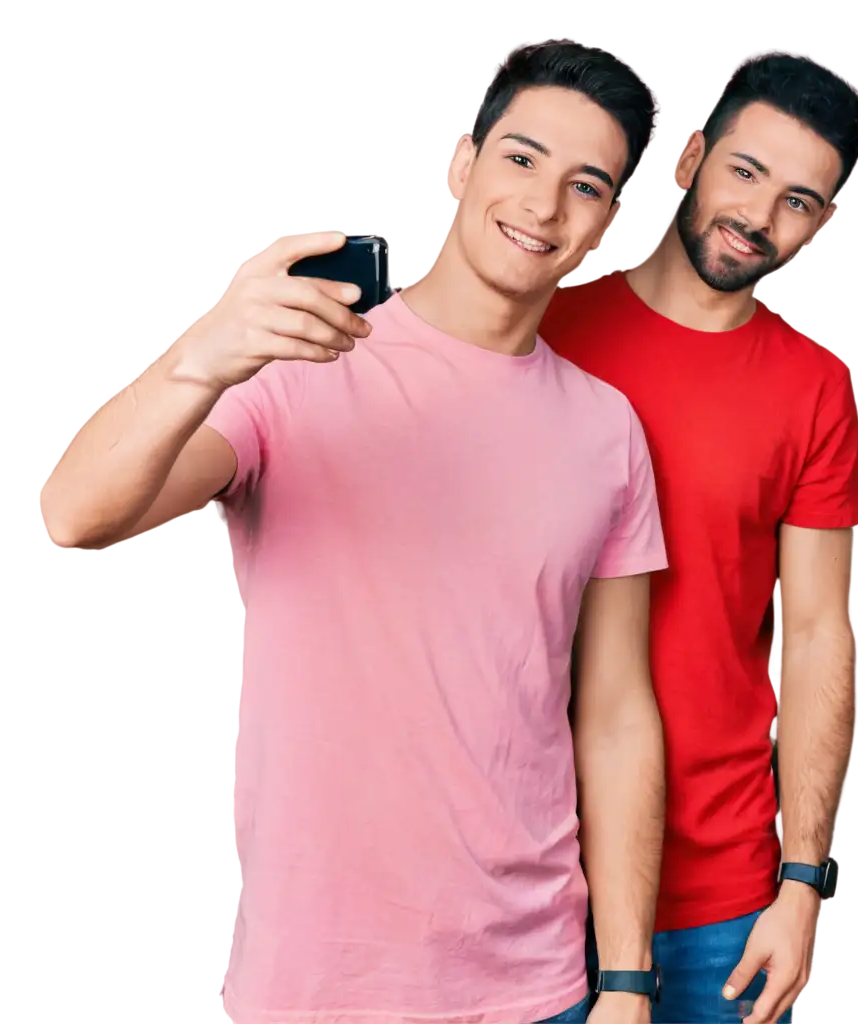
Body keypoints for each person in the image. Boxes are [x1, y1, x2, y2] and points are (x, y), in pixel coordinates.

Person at [36, 44, 668, 1024]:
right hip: (318, 988)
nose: (543, 205)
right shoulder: (299, 360)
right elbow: (74, 514)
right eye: (520, 159)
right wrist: (199, 357)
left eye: (583, 185)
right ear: (462, 167)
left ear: (603, 226)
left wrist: (625, 978)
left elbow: (620, 712)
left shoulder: (607, 429)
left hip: (539, 985)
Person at [541, 55, 858, 1024]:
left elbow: (815, 635)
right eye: (745, 172)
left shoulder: (810, 387)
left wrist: (802, 880)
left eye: (798, 200)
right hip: (533, 888)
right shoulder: (547, 326)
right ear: (688, 159)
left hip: (723, 903)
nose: (759, 215)